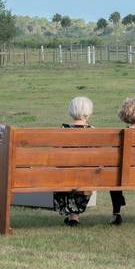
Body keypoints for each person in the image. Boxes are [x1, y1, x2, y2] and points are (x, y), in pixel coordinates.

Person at [110, 96, 135, 226]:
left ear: (125, 113)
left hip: (124, 177)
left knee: (114, 177)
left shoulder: (122, 134)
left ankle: (116, 214)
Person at [54, 96, 94, 227]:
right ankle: (74, 216)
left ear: (71, 111)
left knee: (67, 173)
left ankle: (72, 216)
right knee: (81, 174)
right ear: (89, 112)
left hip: (64, 175)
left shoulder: (62, 131)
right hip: (87, 176)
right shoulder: (95, 132)